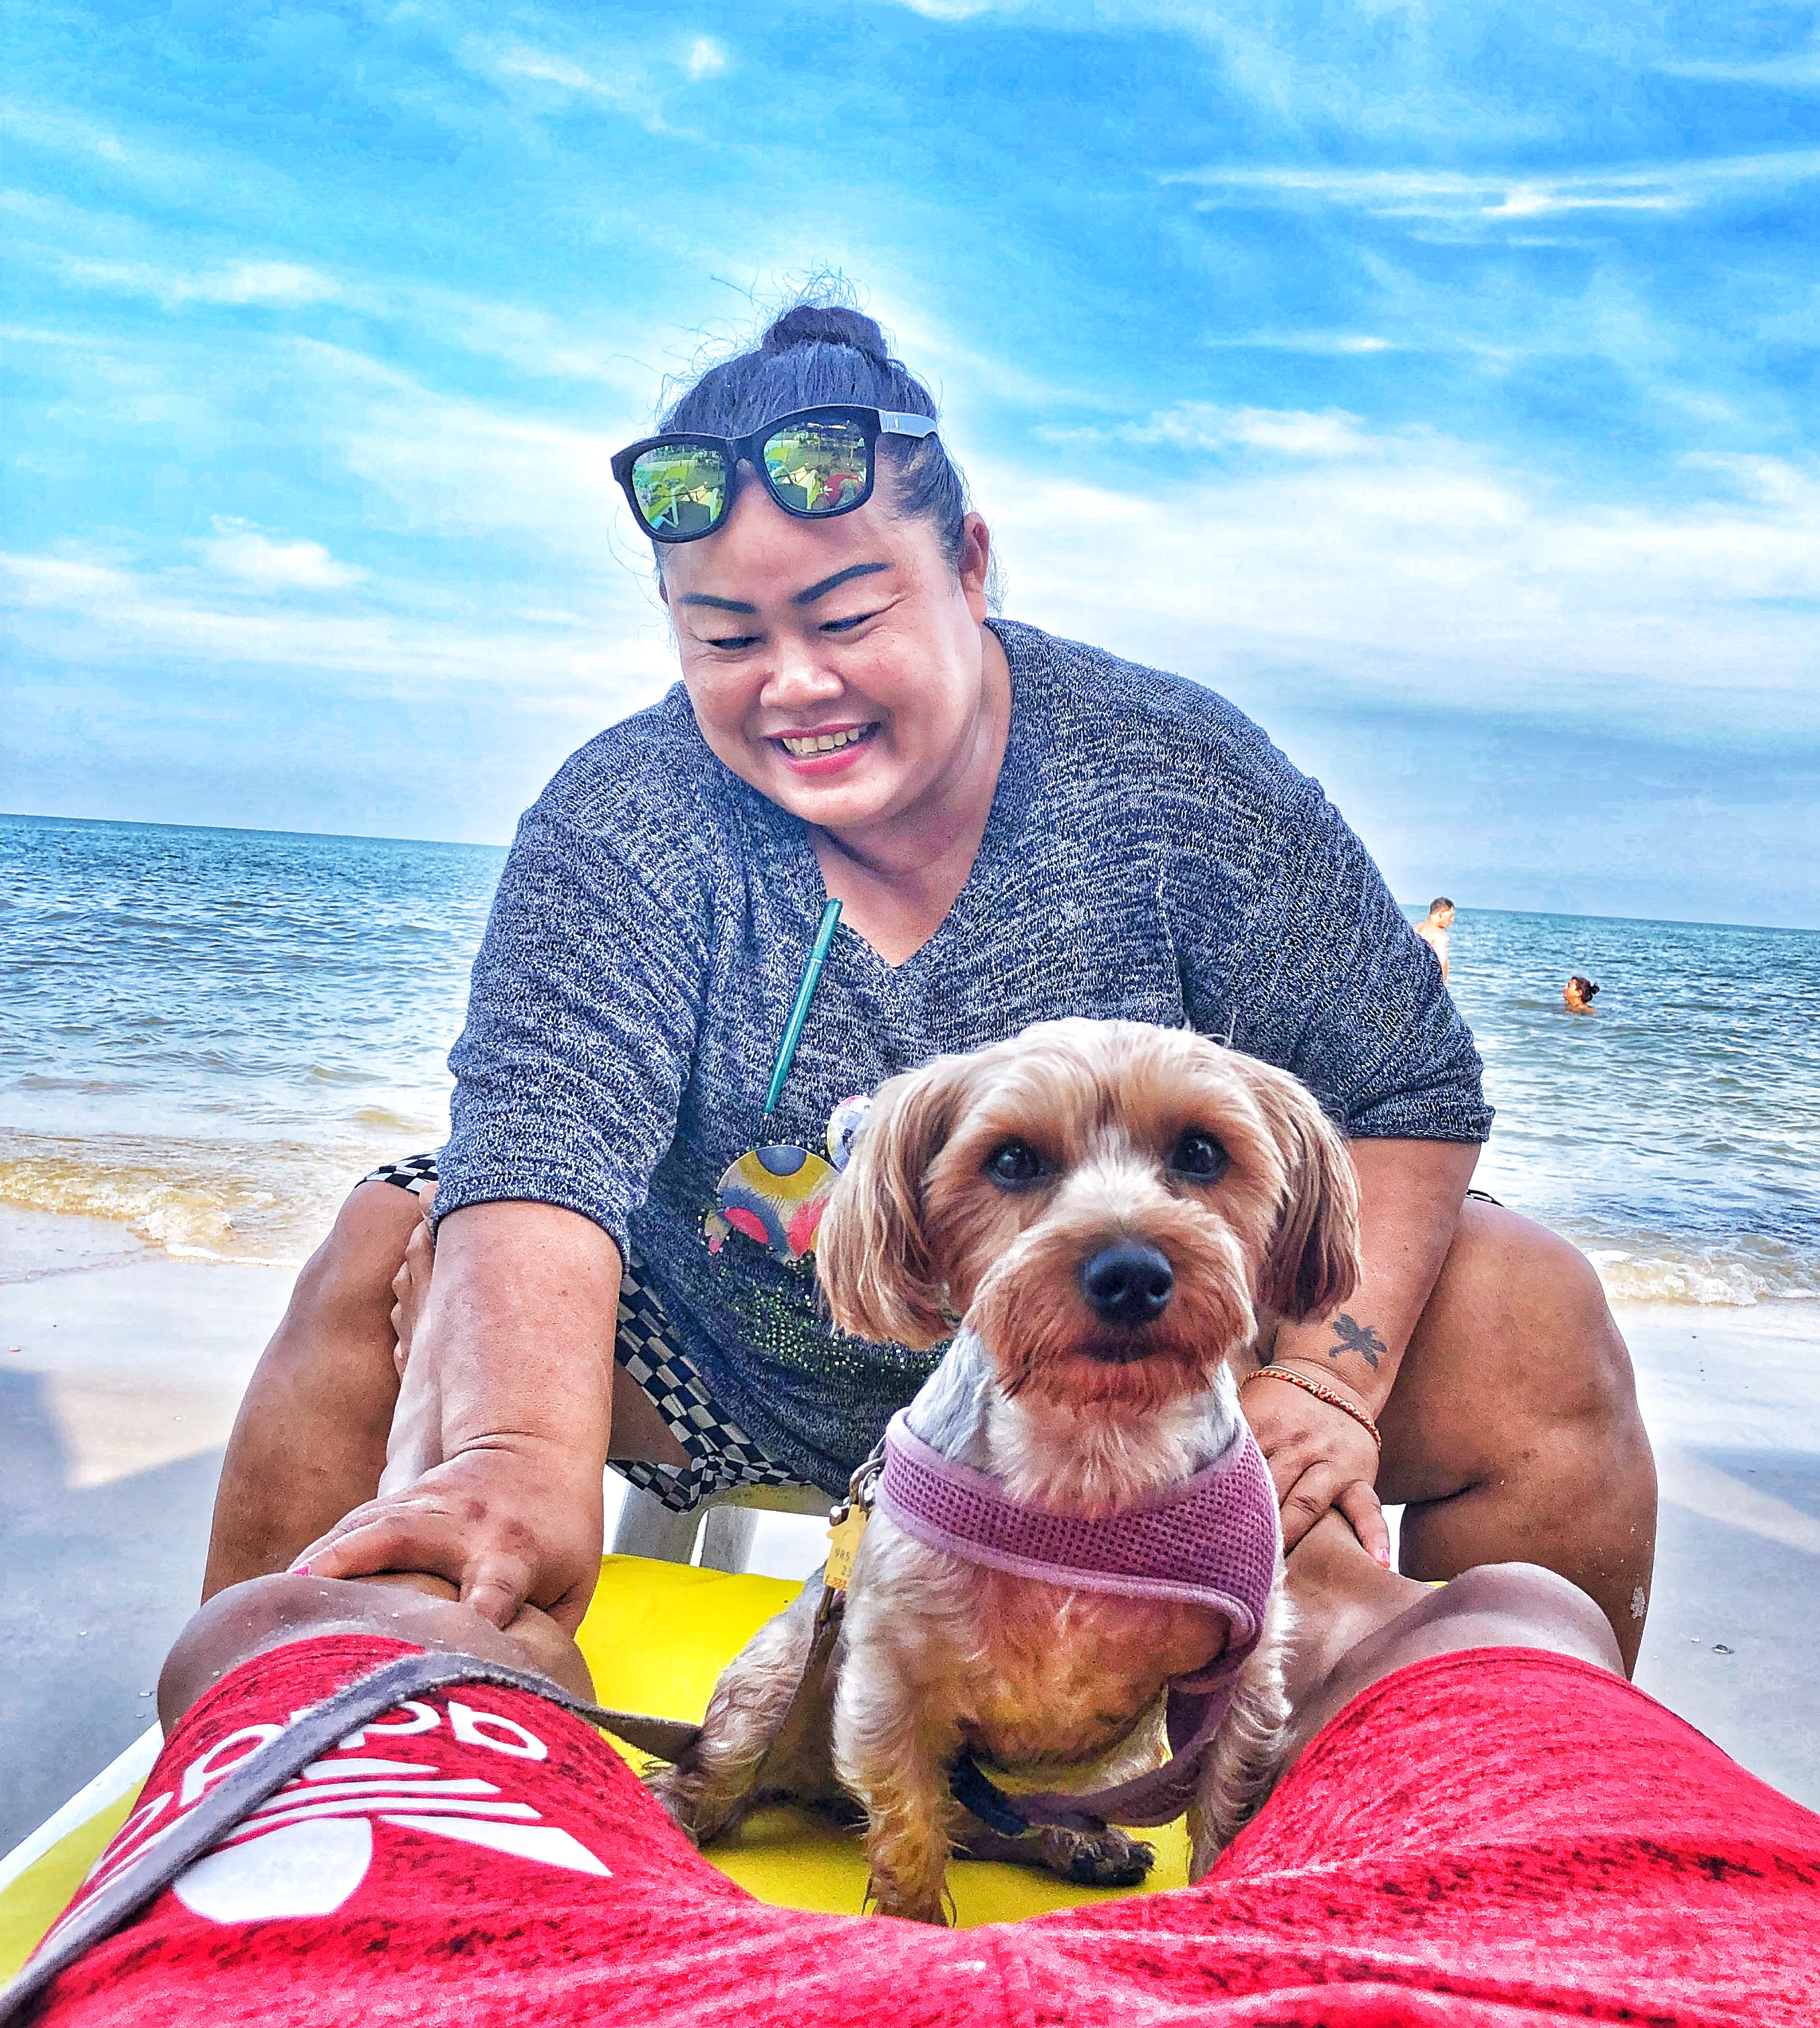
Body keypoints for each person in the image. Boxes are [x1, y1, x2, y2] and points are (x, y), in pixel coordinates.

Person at [203, 298, 1657, 1671]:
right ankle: (309, 1713)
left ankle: (1490, 1767)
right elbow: (540, 1151)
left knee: (1532, 1310)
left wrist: (1326, 1383)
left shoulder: (1177, 782)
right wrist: (510, 1461)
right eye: (727, 639)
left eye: (845, 620)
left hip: (1149, 1361)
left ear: (967, 565)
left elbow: (1408, 1088)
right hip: (724, 1357)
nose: (793, 689)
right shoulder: (625, 817)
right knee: (384, 1239)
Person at [24, 1526, 1820, 2024]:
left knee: (328, 1636)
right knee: (1498, 1626)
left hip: (503, 1990)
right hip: (1593, 1972)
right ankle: (1351, 1645)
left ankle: (493, 1675)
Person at [1411, 897, 1455, 980]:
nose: (1452, 920)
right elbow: (1441, 963)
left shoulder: (1415, 928)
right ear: (1441, 914)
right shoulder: (1438, 935)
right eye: (1450, 915)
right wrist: (1442, 988)